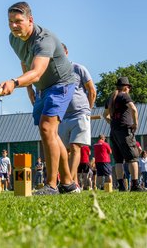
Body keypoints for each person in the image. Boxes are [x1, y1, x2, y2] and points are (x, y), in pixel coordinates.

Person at [0, 2, 76, 195]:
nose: (14, 26)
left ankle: (51, 185)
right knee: (50, 134)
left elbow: (38, 71)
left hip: (60, 84)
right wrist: (29, 90)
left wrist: (15, 83)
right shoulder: (13, 38)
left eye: (18, 21)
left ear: (30, 20)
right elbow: (24, 61)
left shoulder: (44, 39)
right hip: (41, 87)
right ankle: (68, 184)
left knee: (47, 128)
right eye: (10, 22)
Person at [58, 43, 96, 192]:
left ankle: (72, 182)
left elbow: (91, 90)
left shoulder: (78, 68)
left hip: (80, 113)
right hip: (63, 116)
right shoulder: (54, 73)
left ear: (66, 52)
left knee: (75, 147)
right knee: (63, 150)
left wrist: (88, 110)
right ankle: (67, 181)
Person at [103, 76, 147, 192]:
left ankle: (122, 186)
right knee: (133, 158)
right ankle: (135, 185)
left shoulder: (111, 98)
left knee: (118, 160)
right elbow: (133, 109)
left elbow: (105, 114)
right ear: (126, 87)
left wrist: (112, 122)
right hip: (125, 131)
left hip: (114, 131)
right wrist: (135, 124)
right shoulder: (124, 95)